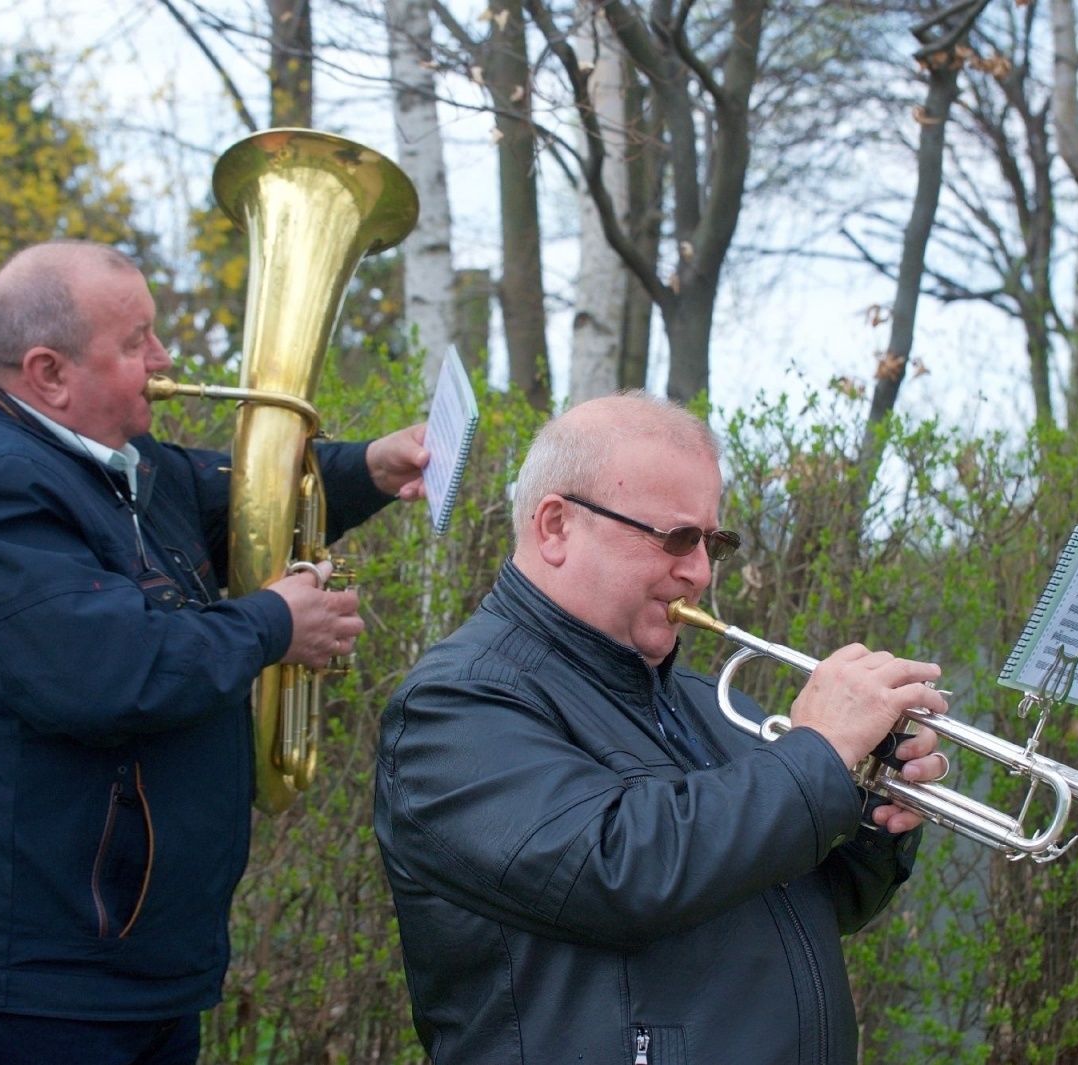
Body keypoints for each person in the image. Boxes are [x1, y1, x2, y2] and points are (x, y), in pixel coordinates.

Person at [0, 240, 428, 1065]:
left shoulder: (115, 460)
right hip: (29, 970)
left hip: (125, 958)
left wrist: (370, 469)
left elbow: (242, 498)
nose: (165, 360)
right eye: (135, 344)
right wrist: (275, 624)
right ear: (49, 372)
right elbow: (104, 673)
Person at [374, 390, 951, 1064]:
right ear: (556, 526)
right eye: (676, 538)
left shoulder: (703, 703)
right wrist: (816, 755)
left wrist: (871, 811)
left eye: (714, 542)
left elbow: (803, 906)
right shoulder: (454, 706)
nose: (700, 572)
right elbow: (619, 870)